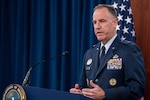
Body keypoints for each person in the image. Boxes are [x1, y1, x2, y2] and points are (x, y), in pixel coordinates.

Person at [70, 4, 146, 100]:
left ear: (114, 22)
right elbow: (83, 86)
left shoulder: (129, 50)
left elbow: (137, 88)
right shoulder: (89, 53)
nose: (97, 26)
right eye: (94, 22)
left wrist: (106, 94)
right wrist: (80, 92)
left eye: (102, 21)